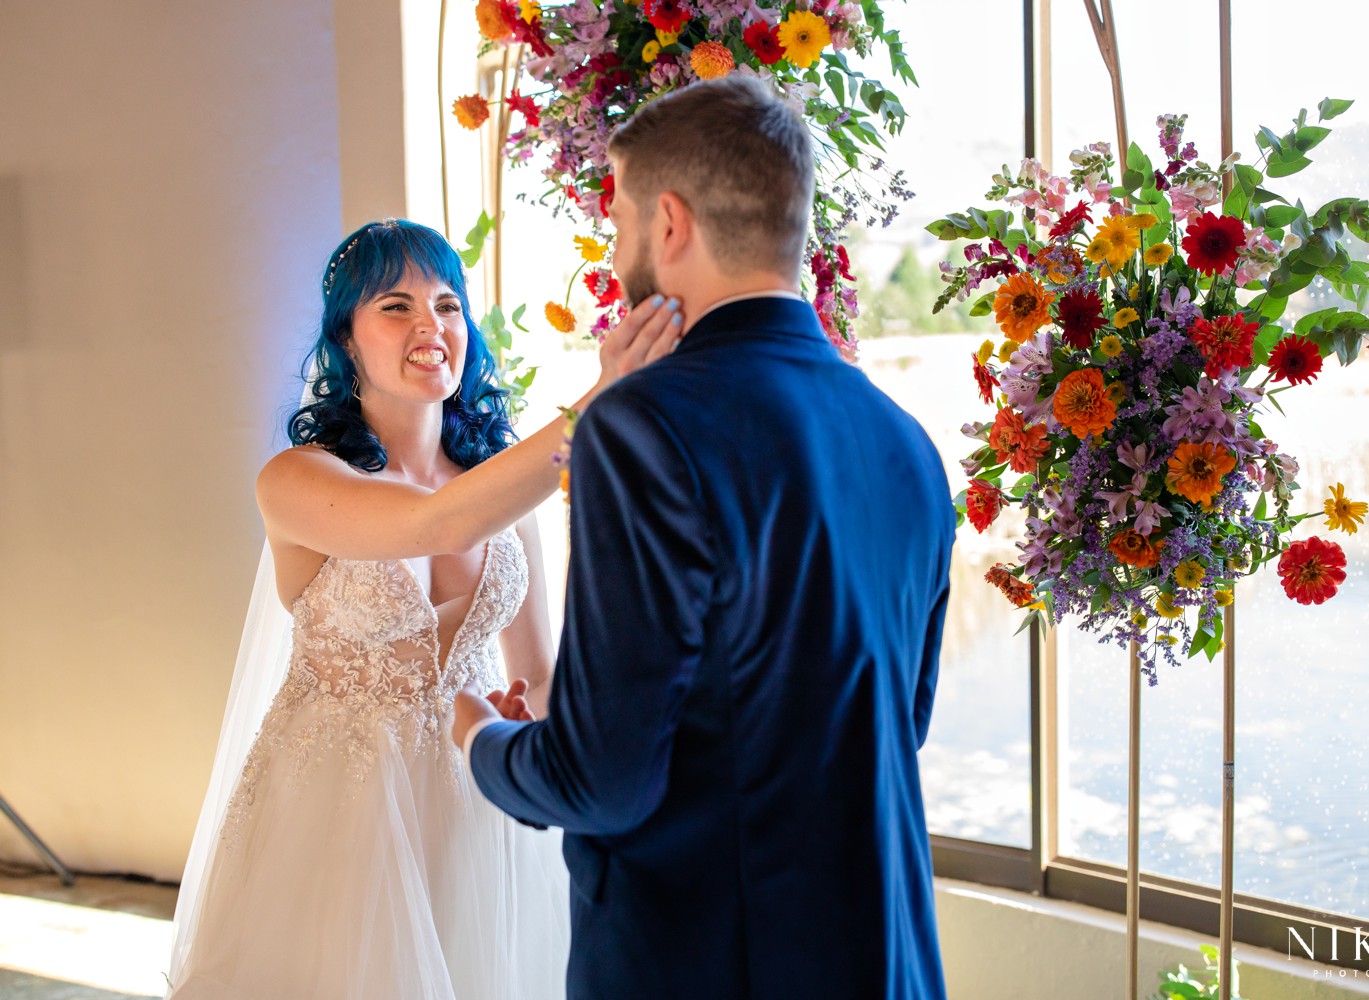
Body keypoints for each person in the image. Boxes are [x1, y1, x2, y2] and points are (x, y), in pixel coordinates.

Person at [453, 76, 956, 1000]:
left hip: (705, 960)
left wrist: (485, 743)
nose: (615, 250)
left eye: (619, 222)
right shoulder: (906, 444)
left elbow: (603, 782)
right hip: (883, 959)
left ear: (671, 223)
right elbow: (893, 726)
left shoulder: (642, 425)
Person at [165, 218, 682, 999]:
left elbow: (538, 672)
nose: (431, 325)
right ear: (346, 340)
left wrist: (550, 755)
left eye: (447, 304)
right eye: (396, 306)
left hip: (479, 804)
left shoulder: (502, 489)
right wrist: (597, 402)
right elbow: (432, 523)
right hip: (338, 810)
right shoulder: (297, 480)